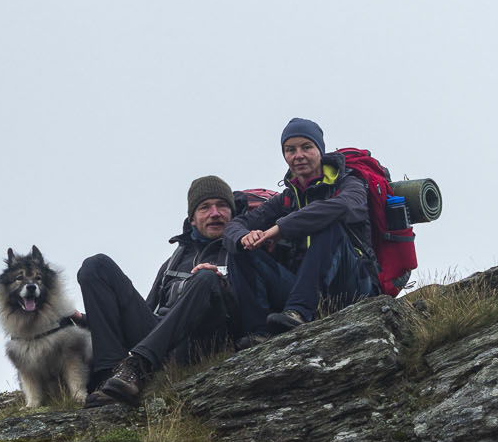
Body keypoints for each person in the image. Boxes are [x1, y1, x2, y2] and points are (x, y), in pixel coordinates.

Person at [76, 175, 242, 409]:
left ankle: (137, 365)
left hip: (203, 342)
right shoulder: (174, 261)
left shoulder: (243, 251)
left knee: (206, 278)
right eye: (205, 207)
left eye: (222, 205)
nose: (215, 213)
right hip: (161, 343)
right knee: (96, 265)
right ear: (192, 219)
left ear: (232, 213)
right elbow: (146, 310)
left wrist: (221, 285)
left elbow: (251, 309)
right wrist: (87, 320)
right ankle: (110, 375)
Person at [222, 117, 378, 334]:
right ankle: (259, 334)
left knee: (328, 225)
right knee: (241, 250)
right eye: (290, 150)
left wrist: (281, 228)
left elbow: (341, 207)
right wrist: (243, 237)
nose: (298, 156)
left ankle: (298, 312)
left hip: (352, 285)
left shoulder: (349, 183)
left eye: (307, 147)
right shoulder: (286, 199)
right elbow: (235, 225)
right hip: (301, 289)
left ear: (320, 150)